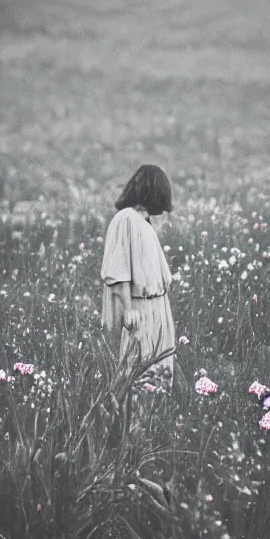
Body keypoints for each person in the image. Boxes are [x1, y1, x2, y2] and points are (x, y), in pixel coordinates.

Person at [101, 164, 176, 390]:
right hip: (140, 308)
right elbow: (118, 268)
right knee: (136, 374)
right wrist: (129, 308)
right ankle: (131, 423)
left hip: (157, 306)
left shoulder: (142, 222)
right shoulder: (125, 219)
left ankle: (152, 423)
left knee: (158, 376)